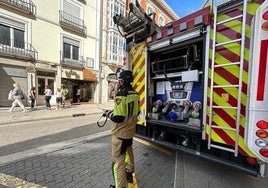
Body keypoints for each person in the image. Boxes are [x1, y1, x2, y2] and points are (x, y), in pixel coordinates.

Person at [105, 69, 140, 188]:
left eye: (119, 80)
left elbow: (119, 118)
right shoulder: (135, 94)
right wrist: (114, 111)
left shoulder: (120, 94)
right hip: (130, 132)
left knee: (117, 162)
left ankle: (119, 186)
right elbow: (135, 111)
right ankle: (130, 171)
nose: (118, 82)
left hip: (120, 134)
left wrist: (109, 114)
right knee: (129, 153)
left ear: (123, 81)